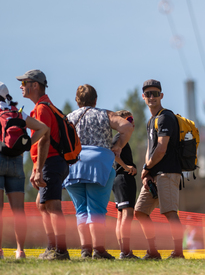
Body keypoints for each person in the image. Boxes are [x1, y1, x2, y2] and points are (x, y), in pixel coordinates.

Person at [64, 85, 133, 259]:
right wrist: (118, 146)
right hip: (99, 165)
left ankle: (85, 250)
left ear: (77, 100)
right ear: (95, 100)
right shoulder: (105, 114)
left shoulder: (69, 118)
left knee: (81, 210)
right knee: (96, 210)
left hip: (74, 165)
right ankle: (99, 250)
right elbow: (126, 126)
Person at [17, 70, 70, 260]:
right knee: (41, 204)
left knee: (52, 206)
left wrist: (38, 169)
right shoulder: (44, 106)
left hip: (51, 161)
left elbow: (44, 140)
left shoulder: (41, 109)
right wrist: (35, 168)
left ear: (35, 85)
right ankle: (52, 246)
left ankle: (60, 250)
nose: (21, 86)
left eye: (25, 83)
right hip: (52, 162)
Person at [134, 79, 184, 260]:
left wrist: (146, 168)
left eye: (155, 93)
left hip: (168, 172)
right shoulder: (151, 121)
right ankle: (153, 252)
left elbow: (162, 148)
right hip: (154, 174)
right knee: (140, 212)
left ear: (161, 95)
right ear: (143, 97)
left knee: (170, 212)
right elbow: (151, 148)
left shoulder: (165, 117)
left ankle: (178, 252)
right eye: (148, 94)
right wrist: (147, 172)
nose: (152, 97)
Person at [0, 81, 48, 259]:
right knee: (19, 211)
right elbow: (43, 128)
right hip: (16, 163)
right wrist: (27, 145)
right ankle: (20, 251)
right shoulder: (17, 113)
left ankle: (0, 251)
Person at [111, 110, 139, 259]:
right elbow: (113, 152)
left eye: (132, 119)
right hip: (123, 178)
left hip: (120, 178)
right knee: (127, 215)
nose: (131, 122)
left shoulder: (123, 138)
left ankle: (124, 251)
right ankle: (126, 252)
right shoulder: (120, 137)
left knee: (121, 216)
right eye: (128, 119)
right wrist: (127, 167)